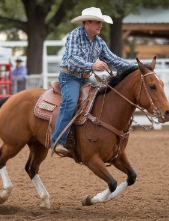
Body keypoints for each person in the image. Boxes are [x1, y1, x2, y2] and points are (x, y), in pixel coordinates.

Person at [51, 7, 137, 155]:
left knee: (106, 97)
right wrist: (92, 65)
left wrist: (137, 67)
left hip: (85, 78)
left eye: (101, 23)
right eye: (97, 22)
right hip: (69, 77)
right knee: (70, 103)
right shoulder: (74, 36)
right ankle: (58, 140)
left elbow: (113, 59)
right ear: (87, 23)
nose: (101, 26)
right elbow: (72, 60)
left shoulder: (98, 42)